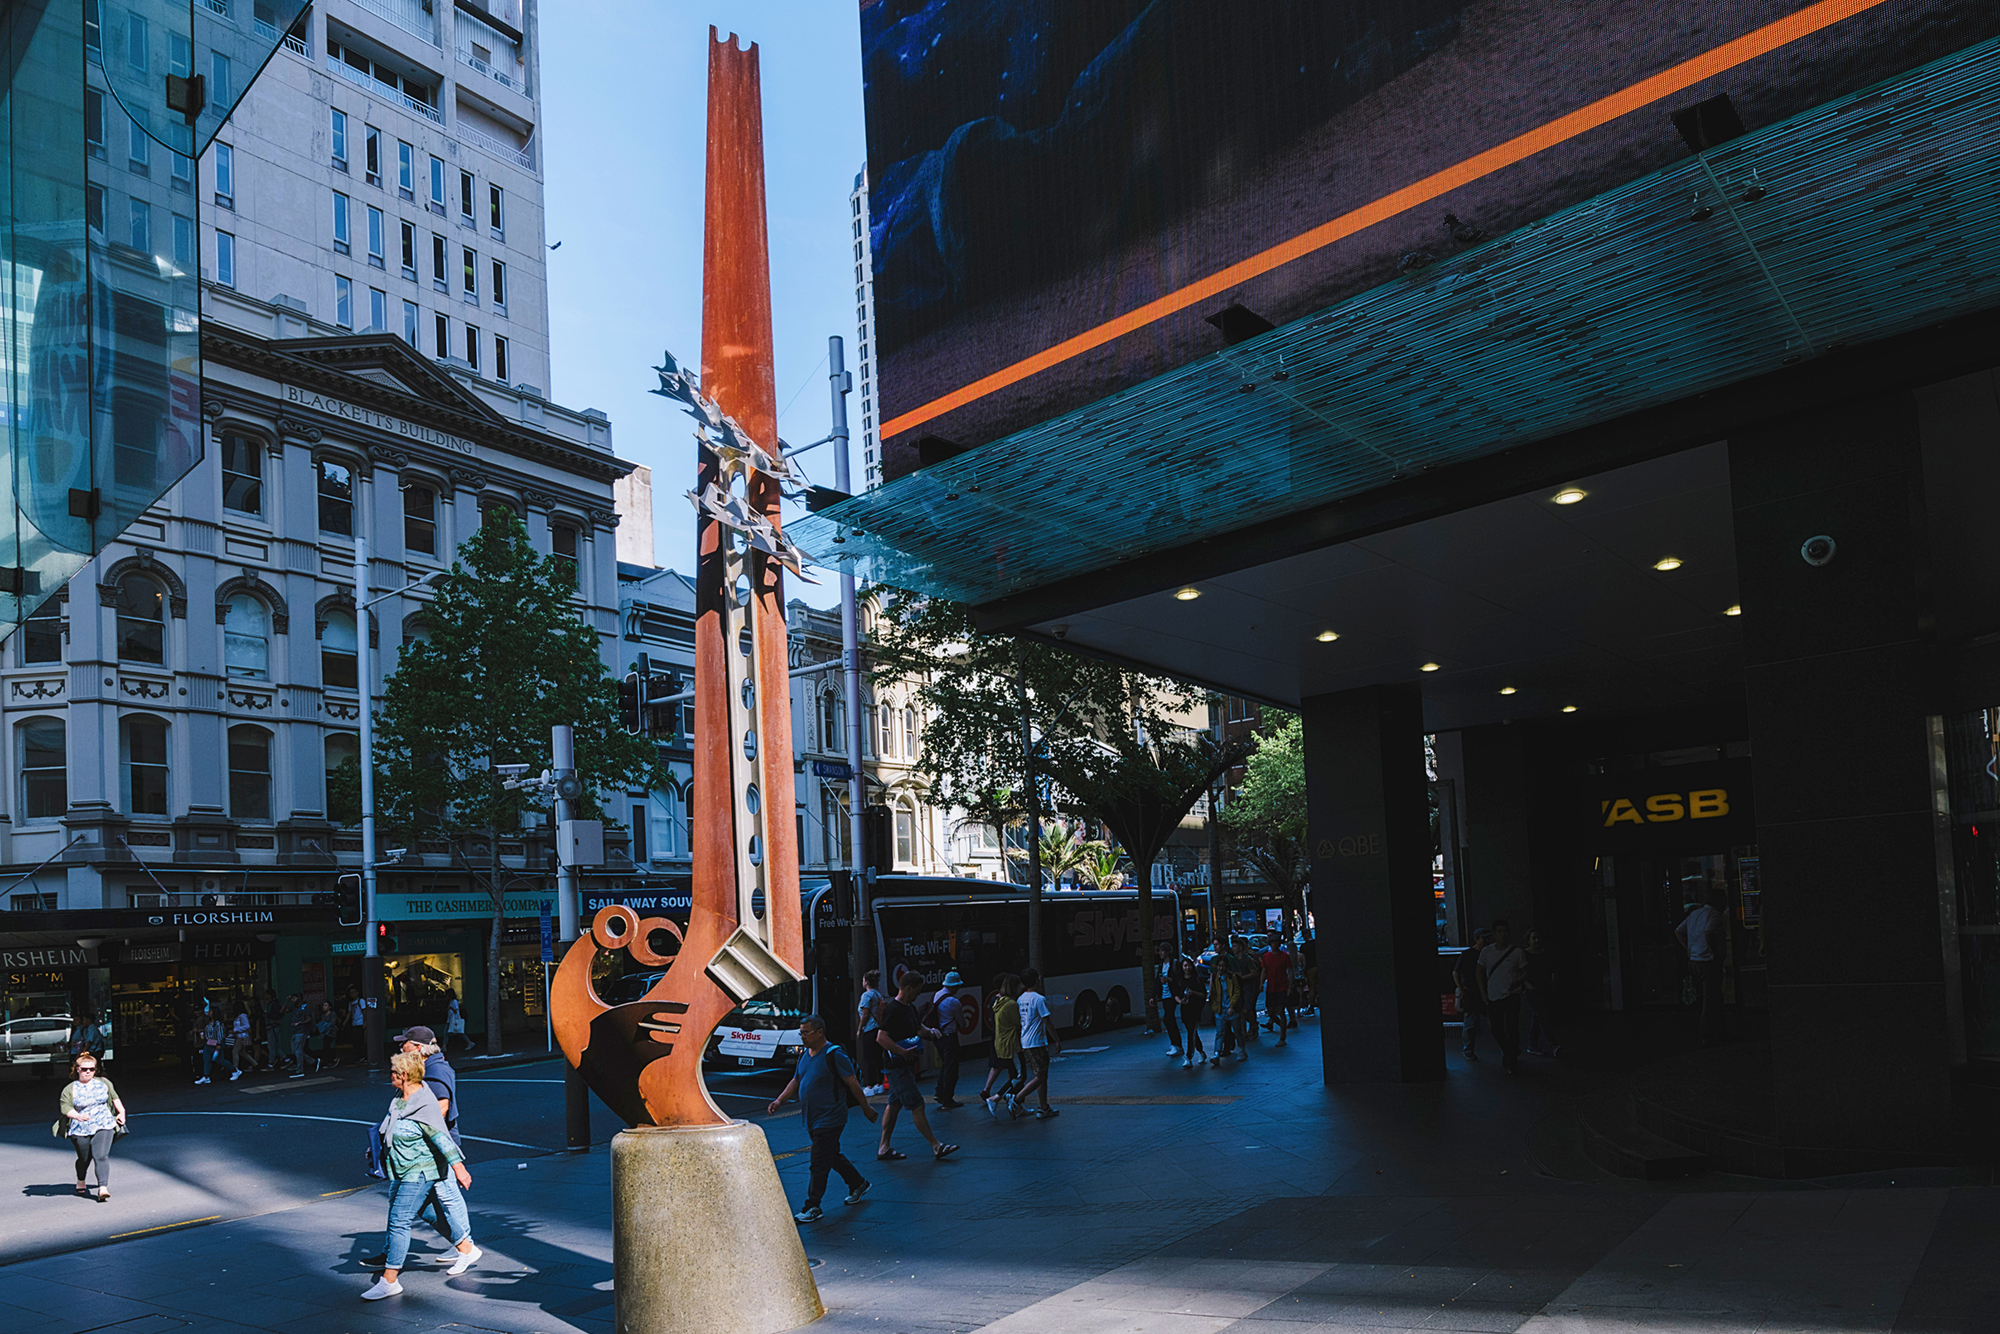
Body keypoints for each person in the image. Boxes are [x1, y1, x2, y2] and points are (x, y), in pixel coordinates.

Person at [363, 1051, 478, 1301]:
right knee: (426, 1212)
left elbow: (441, 1137)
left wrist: (460, 1168)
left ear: (404, 1076)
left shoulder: (424, 1103)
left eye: (393, 1072)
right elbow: (391, 1126)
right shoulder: (400, 1097)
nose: (390, 1075)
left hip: (419, 1171)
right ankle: (466, 1248)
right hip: (401, 1170)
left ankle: (390, 1280)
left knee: (399, 1220)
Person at [768, 1015, 878, 1222]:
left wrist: (866, 1107)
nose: (802, 1037)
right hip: (812, 1117)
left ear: (820, 1032)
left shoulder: (834, 1054)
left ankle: (813, 1206)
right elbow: (796, 1080)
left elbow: (853, 1082)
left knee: (818, 1162)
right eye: (800, 1032)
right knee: (831, 1155)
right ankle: (858, 1183)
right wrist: (779, 1101)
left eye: (806, 1032)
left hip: (830, 1118)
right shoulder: (805, 1055)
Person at [874, 973, 957, 1160]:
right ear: (909, 987)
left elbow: (918, 1028)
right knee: (917, 1104)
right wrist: (901, 1051)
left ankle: (883, 1147)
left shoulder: (909, 1008)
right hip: (897, 1066)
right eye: (918, 990)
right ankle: (936, 1146)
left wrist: (931, 1033)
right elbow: (881, 1037)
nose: (919, 994)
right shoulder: (894, 1010)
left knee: (894, 1104)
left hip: (905, 1064)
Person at [60, 1053, 126, 1202]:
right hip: (80, 1127)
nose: (88, 1072)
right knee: (84, 1158)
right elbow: (65, 1107)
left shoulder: (104, 1083)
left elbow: (115, 1097)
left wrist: (122, 1112)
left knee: (101, 1155)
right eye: (84, 1069)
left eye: (92, 1069)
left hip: (104, 1123)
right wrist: (76, 1116)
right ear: (77, 1069)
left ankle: (103, 1188)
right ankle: (81, 1179)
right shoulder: (70, 1088)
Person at [1676, 888, 1726, 1047]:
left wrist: (1689, 948)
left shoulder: (1694, 914)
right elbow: (1709, 933)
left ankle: (1709, 1031)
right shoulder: (1714, 915)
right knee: (1711, 998)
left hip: (1694, 960)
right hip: (1707, 961)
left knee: (1705, 997)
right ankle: (1709, 1034)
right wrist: (1715, 953)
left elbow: (1678, 931)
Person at [1477, 920, 1528, 1075]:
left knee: (1511, 1026)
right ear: (1494, 934)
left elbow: (1525, 971)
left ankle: (1510, 1057)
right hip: (1494, 994)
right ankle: (1510, 1052)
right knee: (1497, 1028)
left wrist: (1518, 981)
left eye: (1504, 931)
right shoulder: (1486, 952)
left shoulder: (1516, 952)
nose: (1502, 934)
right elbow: (1479, 972)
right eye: (1499, 931)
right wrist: (1483, 992)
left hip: (1511, 994)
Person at [1008, 969, 1059, 1119]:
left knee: (1040, 1074)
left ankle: (1044, 1107)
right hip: (1037, 1042)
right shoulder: (1039, 999)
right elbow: (1047, 1021)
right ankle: (1016, 1099)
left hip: (1026, 1041)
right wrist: (1056, 1039)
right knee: (1041, 1076)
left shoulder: (1020, 999)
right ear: (1037, 980)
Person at [981, 974, 1021, 1114]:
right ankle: (998, 1097)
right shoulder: (1010, 1004)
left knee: (1007, 1070)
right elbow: (1018, 1023)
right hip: (1011, 1043)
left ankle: (1012, 1101)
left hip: (1000, 1041)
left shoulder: (997, 1001)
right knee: (1019, 1076)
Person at [1523, 928, 1564, 1057]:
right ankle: (1553, 1044)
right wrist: (1527, 985)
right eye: (1533, 938)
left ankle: (1532, 1044)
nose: (1536, 940)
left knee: (1538, 1017)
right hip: (1532, 990)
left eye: (1538, 938)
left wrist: (1552, 983)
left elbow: (1552, 969)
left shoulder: (1545, 953)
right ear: (1528, 940)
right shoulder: (1525, 954)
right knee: (1542, 1017)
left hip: (1545, 989)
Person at [928, 972, 966, 1110]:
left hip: (938, 1036)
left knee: (945, 1066)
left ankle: (940, 1092)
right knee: (951, 1068)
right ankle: (947, 1098)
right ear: (955, 986)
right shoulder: (953, 1002)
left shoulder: (936, 995)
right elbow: (962, 1022)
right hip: (950, 1036)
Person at [1454, 928, 1493, 1060]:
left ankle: (1468, 1050)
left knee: (1470, 1023)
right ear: (1477, 939)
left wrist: (1461, 988)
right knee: (1489, 1021)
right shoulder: (1488, 953)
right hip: (1480, 992)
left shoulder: (1468, 954)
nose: (1487, 940)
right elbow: (1455, 973)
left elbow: (1456, 972)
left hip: (1472, 992)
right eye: (1484, 938)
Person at [1166, 955, 1206, 1067]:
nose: (1187, 968)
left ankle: (1188, 1057)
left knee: (1191, 1033)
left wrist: (1193, 993)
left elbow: (1203, 994)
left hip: (1195, 1009)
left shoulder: (1197, 980)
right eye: (1185, 966)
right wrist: (1180, 1001)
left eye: (1188, 965)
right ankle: (1201, 1052)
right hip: (1185, 1009)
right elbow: (1175, 994)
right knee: (1192, 1033)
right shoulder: (1180, 981)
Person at [854, 969, 886, 1097]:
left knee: (868, 1057)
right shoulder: (878, 994)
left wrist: (859, 1028)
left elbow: (865, 1013)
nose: (862, 982)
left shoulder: (866, 996)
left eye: (863, 980)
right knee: (878, 1057)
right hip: (878, 1028)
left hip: (869, 1029)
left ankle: (869, 1085)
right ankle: (879, 1083)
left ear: (866, 982)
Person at [1259, 937, 1293, 1046]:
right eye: (1272, 942)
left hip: (1282, 986)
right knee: (1271, 1012)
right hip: (1271, 987)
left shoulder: (1284, 956)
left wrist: (1290, 986)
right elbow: (1264, 971)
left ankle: (1283, 1036)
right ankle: (1282, 1027)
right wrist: (1261, 983)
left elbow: (1290, 971)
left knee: (1281, 1010)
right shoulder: (1266, 957)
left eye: (1276, 942)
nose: (1274, 944)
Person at [1157, 943, 1184, 1059]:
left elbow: (1179, 979)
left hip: (1172, 995)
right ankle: (1176, 1044)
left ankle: (1176, 1045)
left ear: (1167, 952)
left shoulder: (1174, 964)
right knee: (1168, 1019)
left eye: (1162, 951)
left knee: (1168, 1018)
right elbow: (1156, 981)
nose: (1160, 953)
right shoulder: (1161, 965)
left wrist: (1169, 980)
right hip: (1165, 995)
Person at [195, 1012, 227, 1085]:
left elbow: (220, 1033)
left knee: (218, 1059)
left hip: (215, 1042)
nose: (208, 1012)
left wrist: (219, 1043)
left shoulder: (218, 1023)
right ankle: (206, 1076)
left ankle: (233, 1070)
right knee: (206, 1058)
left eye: (210, 1011)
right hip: (209, 1042)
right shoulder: (209, 1022)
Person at [287, 994, 313, 1077]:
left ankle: (300, 1070)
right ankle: (312, 1061)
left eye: (294, 998)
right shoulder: (294, 1008)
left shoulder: (305, 1007)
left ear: (299, 999)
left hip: (302, 1030)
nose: (292, 1000)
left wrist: (300, 1023)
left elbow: (309, 1018)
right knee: (295, 1050)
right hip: (295, 1031)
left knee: (298, 1051)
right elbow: (282, 1010)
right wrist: (287, 1001)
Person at [230, 1004, 256, 1078]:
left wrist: (235, 1030)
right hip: (241, 1035)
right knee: (242, 1052)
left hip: (241, 1036)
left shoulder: (242, 1016)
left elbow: (247, 1026)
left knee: (235, 1052)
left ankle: (235, 1069)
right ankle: (255, 1064)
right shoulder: (241, 1016)